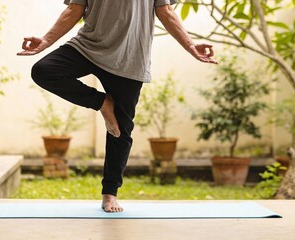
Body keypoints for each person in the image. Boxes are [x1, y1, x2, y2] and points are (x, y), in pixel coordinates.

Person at [17, 0, 217, 213]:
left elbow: (165, 10)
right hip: (88, 46)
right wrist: (46, 39)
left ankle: (110, 194)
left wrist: (191, 45)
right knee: (44, 71)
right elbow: (75, 8)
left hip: (129, 57)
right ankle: (102, 102)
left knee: (120, 129)